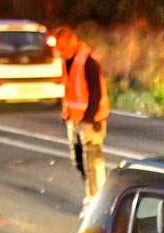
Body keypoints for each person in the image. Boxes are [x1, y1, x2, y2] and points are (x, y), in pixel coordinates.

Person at [53, 26, 108, 207]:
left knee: (93, 163)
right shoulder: (66, 62)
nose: (60, 51)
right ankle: (94, 195)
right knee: (79, 162)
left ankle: (96, 202)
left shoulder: (87, 62)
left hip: (91, 122)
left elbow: (95, 93)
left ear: (72, 41)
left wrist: (89, 121)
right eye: (58, 47)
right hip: (74, 120)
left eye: (62, 46)